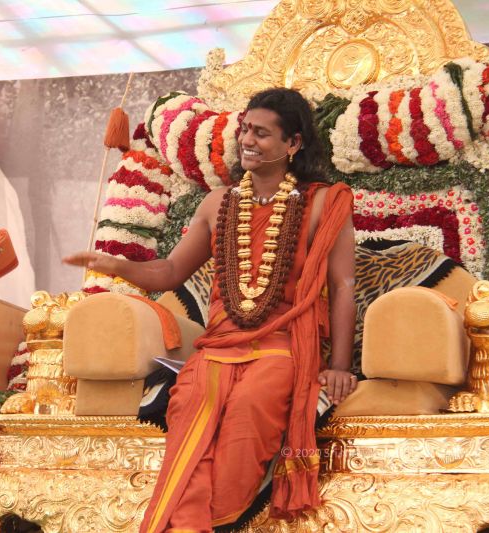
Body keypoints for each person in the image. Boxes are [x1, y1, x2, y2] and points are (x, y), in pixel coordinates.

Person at [64, 88, 357, 532]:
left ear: (293, 143)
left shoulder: (324, 202)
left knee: (249, 411)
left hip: (280, 347)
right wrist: (117, 265)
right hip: (218, 347)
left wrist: (339, 366)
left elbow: (342, 286)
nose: (247, 140)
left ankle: (200, 523)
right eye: (245, 129)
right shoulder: (217, 203)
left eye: (262, 133)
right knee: (189, 402)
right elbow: (170, 271)